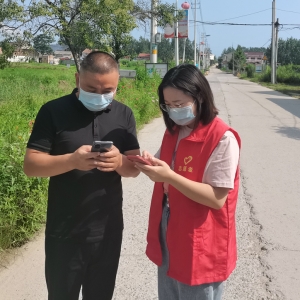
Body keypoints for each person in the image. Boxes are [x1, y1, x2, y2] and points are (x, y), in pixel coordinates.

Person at [23, 51, 140, 300]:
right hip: (64, 231)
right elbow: (31, 165)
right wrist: (72, 161)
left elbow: (133, 169)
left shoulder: (124, 115)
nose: (100, 96)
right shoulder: (53, 111)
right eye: (91, 88)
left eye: (108, 90)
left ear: (118, 84)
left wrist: (119, 161)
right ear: (77, 79)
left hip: (107, 230)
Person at [135, 64, 241, 300]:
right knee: (169, 289)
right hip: (170, 222)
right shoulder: (175, 130)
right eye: (168, 105)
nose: (173, 111)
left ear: (200, 97)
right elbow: (164, 165)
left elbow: (216, 198)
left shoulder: (222, 138)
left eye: (180, 104)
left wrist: (170, 177)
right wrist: (149, 163)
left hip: (200, 232)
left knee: (194, 290)